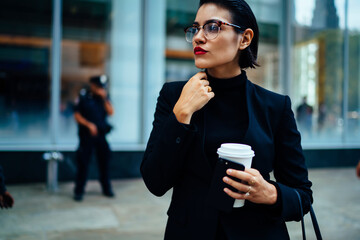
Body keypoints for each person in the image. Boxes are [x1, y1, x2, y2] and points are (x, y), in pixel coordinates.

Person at [141, 0, 313, 239]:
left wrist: (270, 192)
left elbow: (302, 195)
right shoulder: (174, 96)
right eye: (195, 28)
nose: (199, 37)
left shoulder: (275, 106)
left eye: (212, 27)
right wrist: (181, 115)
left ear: (244, 38)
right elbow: (154, 181)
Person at [73, 75, 115, 201]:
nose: (100, 89)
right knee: (83, 163)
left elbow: (111, 112)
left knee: (104, 163)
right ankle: (79, 190)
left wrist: (104, 98)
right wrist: (88, 125)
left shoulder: (104, 97)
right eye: (98, 87)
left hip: (101, 135)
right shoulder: (83, 96)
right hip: (86, 136)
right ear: (92, 85)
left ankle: (106, 188)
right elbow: (77, 115)